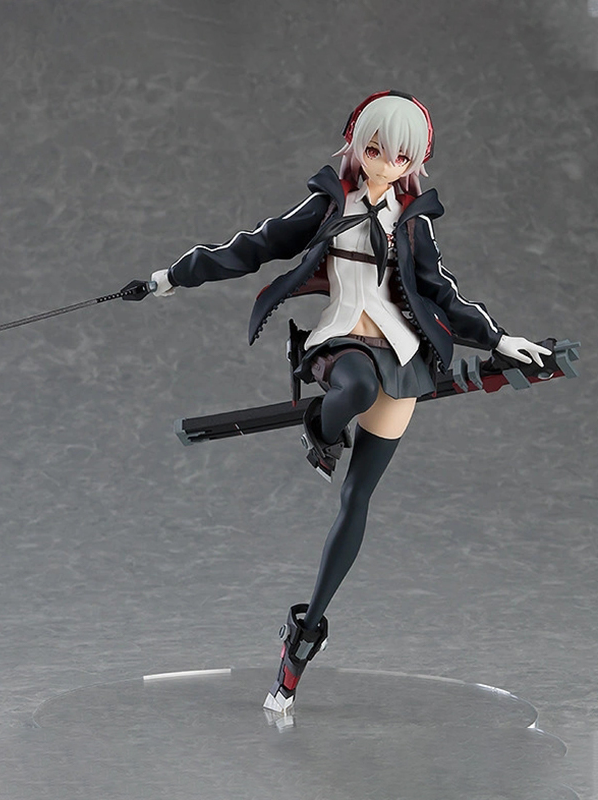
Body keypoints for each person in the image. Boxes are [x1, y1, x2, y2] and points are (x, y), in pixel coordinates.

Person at [150, 90, 549, 714]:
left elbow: (441, 293)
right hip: (339, 344)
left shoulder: (413, 221)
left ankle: (301, 641)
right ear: (357, 146)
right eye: (375, 149)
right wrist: (173, 276)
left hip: (402, 355)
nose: (384, 164)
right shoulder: (329, 204)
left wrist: (498, 338)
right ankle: (320, 428)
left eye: (399, 156)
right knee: (356, 387)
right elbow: (255, 245)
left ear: (413, 162)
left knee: (356, 498)